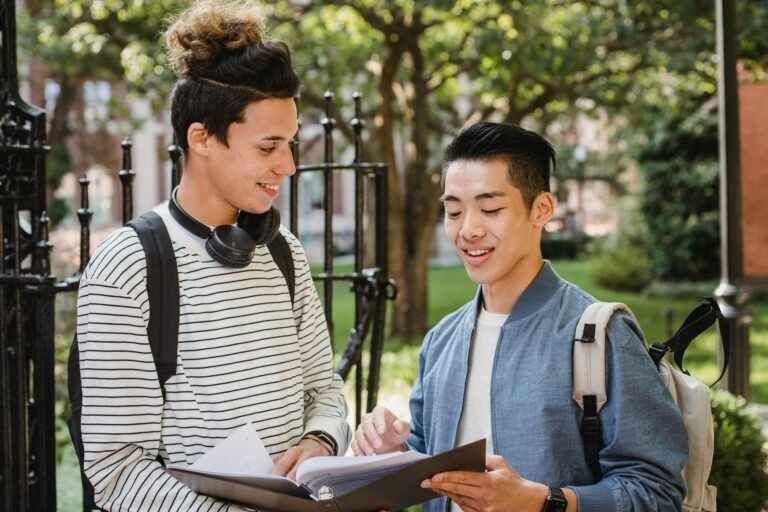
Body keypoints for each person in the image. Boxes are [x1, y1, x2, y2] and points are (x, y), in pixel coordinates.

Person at [75, 1, 350, 510]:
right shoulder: (126, 267)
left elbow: (326, 393)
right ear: (201, 137)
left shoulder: (283, 253)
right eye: (269, 147)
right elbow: (117, 470)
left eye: (289, 144)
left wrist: (320, 441)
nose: (288, 166)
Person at [352, 122, 688, 512]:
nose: (468, 230)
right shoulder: (441, 340)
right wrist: (392, 453)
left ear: (541, 209)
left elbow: (657, 492)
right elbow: (427, 465)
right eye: (454, 211)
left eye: (490, 208)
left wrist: (543, 501)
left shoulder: (601, 334)